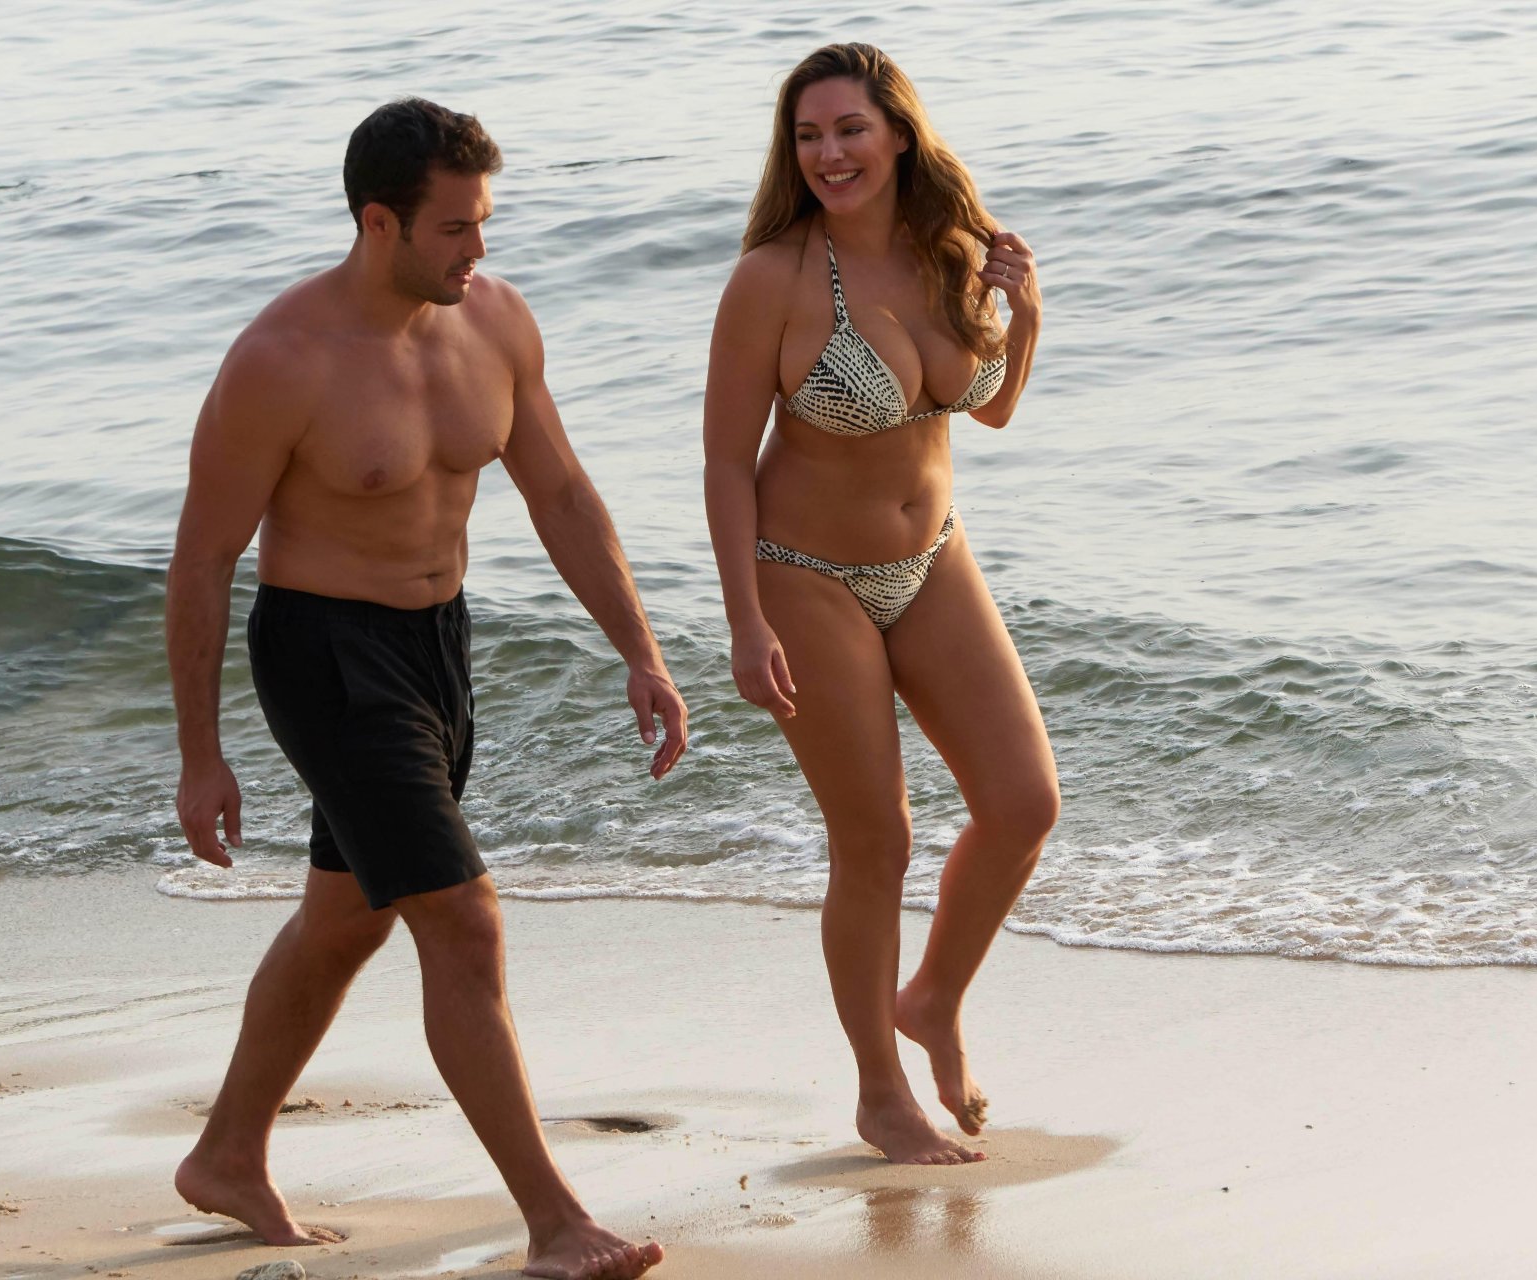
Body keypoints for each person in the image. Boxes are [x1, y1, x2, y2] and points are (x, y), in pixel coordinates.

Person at [165, 97, 682, 1279]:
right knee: (460, 916)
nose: (477, 249)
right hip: (327, 656)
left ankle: (227, 1153)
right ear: (377, 223)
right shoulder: (281, 360)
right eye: (454, 228)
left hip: (439, 645)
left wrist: (640, 650)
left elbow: (559, 492)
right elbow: (201, 559)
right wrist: (201, 752)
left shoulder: (493, 320)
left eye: (483, 222)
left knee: (348, 915)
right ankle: (556, 1222)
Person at [702, 43, 1056, 1167]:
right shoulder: (772, 277)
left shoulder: (952, 247)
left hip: (931, 558)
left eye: (849, 129)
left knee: (1022, 802)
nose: (829, 153)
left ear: (897, 132)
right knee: (875, 842)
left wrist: (1025, 312)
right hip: (803, 573)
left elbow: (989, 411)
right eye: (808, 136)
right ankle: (879, 1093)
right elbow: (724, 461)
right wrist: (743, 619)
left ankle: (932, 998)